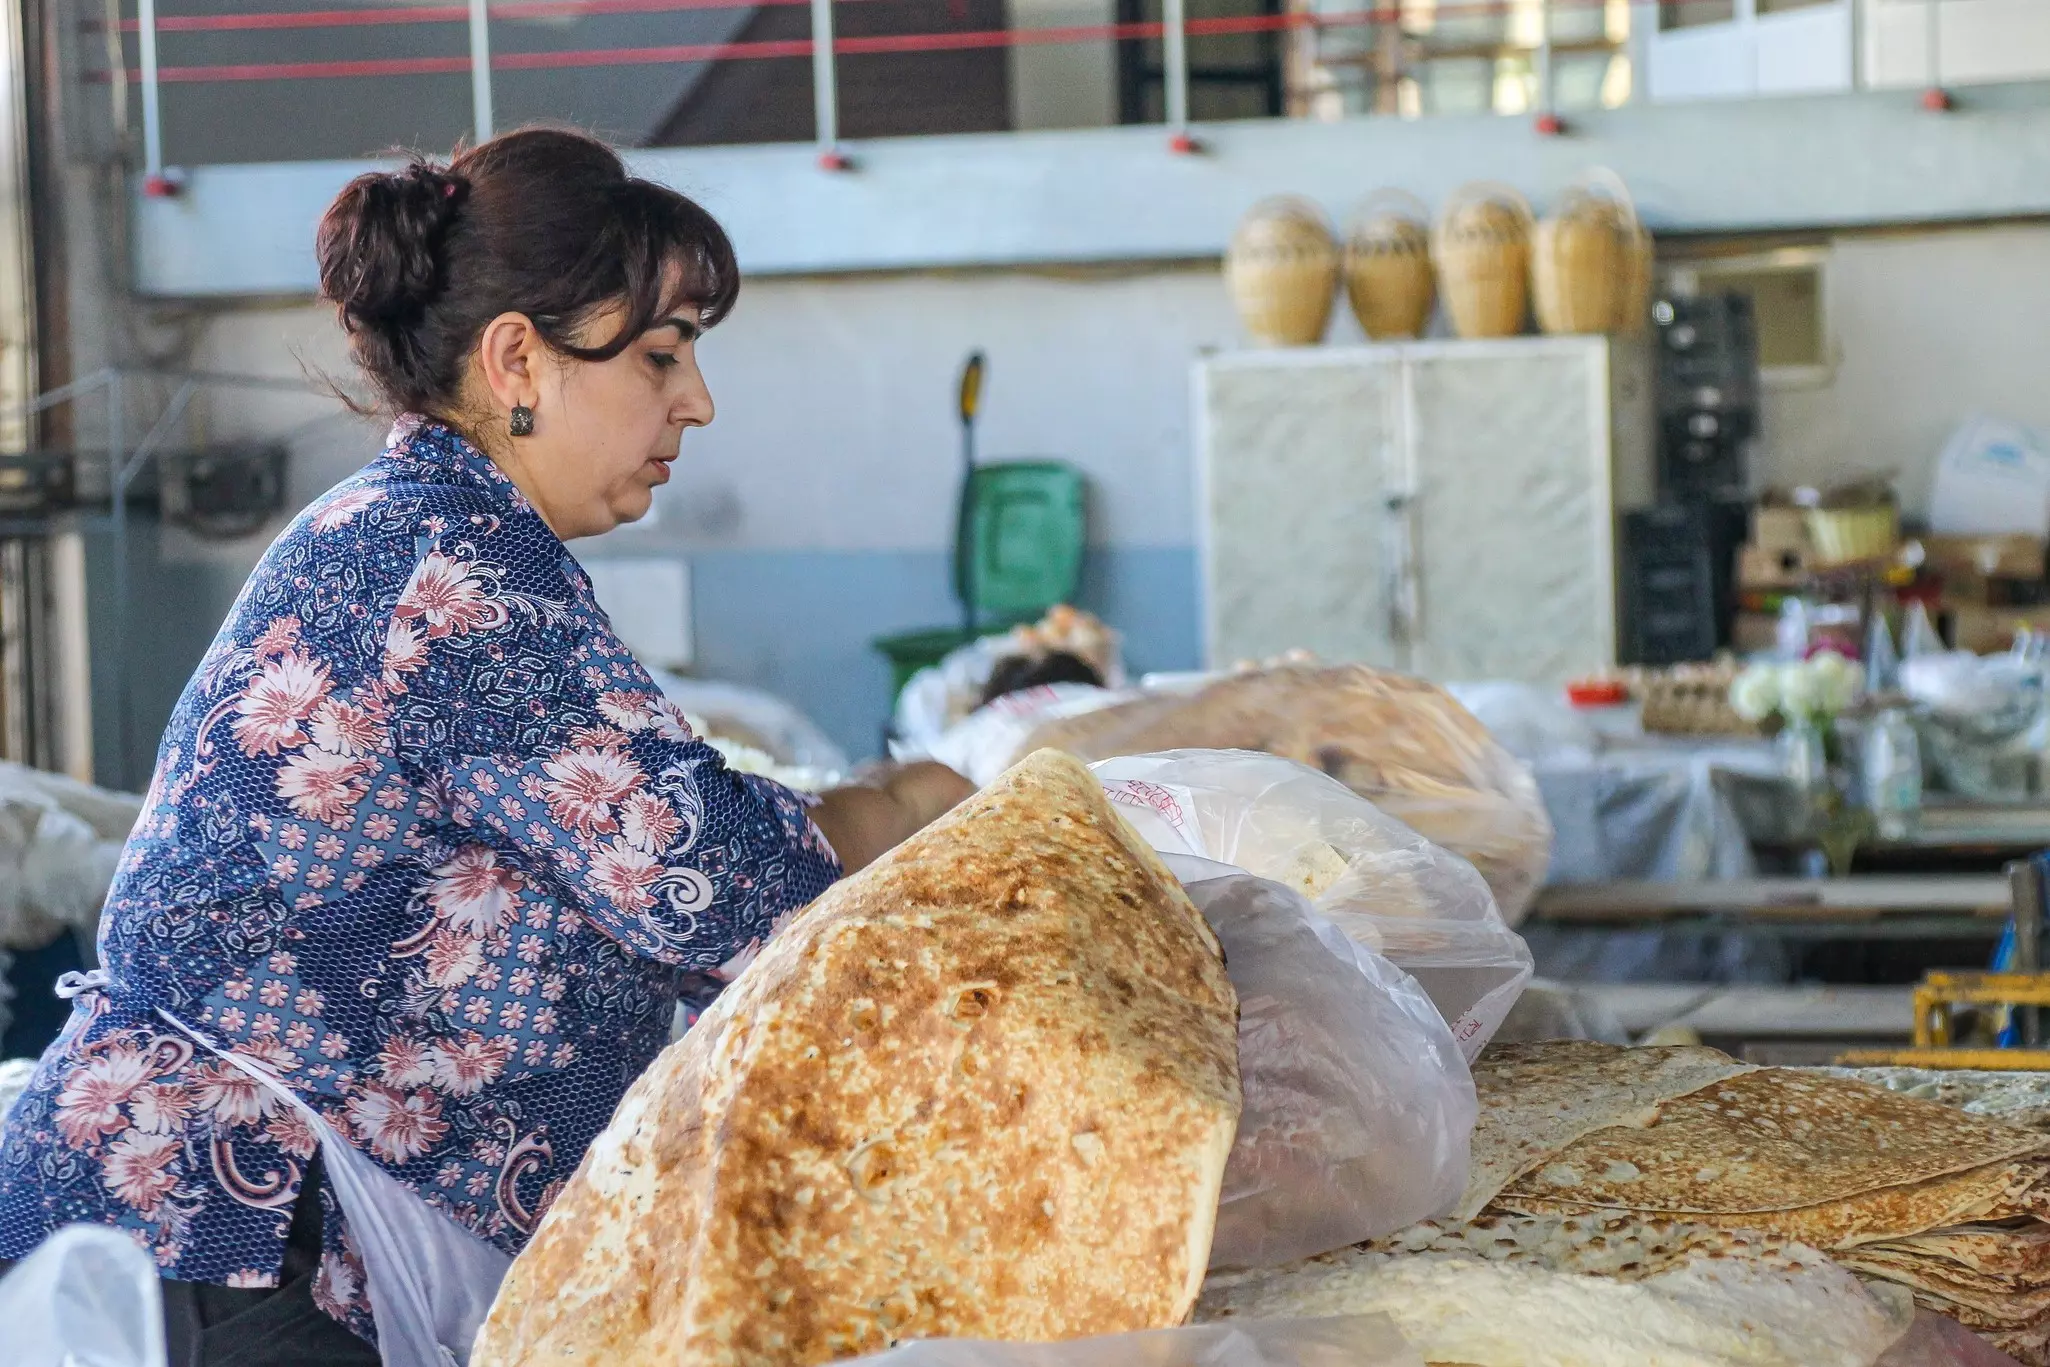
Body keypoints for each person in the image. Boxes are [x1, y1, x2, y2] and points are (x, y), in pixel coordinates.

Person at [0, 127, 974, 1365]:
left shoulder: (422, 527)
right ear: (517, 355)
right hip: (229, 1232)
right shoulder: (449, 568)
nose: (698, 400)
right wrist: (903, 802)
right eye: (661, 353)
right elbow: (721, 888)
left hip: (231, 1235)